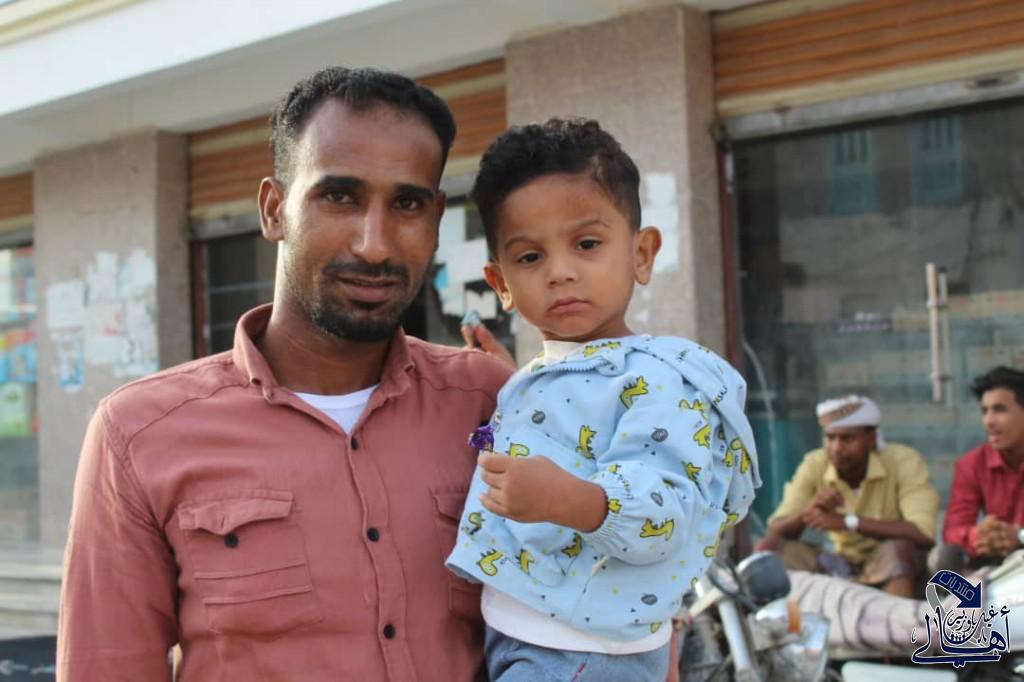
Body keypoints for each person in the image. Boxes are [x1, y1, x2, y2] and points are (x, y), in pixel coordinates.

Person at [57, 67, 514, 681]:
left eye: (407, 204)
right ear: (274, 210)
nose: (375, 245)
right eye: (339, 196)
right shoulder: (137, 435)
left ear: (434, 223)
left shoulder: (490, 401)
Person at [444, 118, 761, 681]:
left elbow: (664, 513)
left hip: (581, 655)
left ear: (641, 253)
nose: (561, 272)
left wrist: (567, 499)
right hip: (535, 635)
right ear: (501, 283)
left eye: (587, 244)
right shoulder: (555, 372)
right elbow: (577, 426)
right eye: (530, 257)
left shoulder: (658, 379)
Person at [756, 395, 938, 598]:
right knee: (769, 551)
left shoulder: (902, 460)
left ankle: (900, 618)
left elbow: (923, 535)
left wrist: (847, 522)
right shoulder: (815, 463)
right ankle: (775, 617)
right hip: (837, 564)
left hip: (887, 564)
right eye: (830, 438)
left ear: (871, 438)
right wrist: (808, 511)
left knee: (897, 550)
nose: (836, 448)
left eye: (847, 439)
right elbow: (775, 530)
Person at [933, 366, 1024, 572]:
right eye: (984, 411)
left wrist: (1019, 536)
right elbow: (952, 531)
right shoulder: (972, 464)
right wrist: (980, 536)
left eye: (999, 410)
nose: (989, 421)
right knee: (945, 556)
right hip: (996, 563)